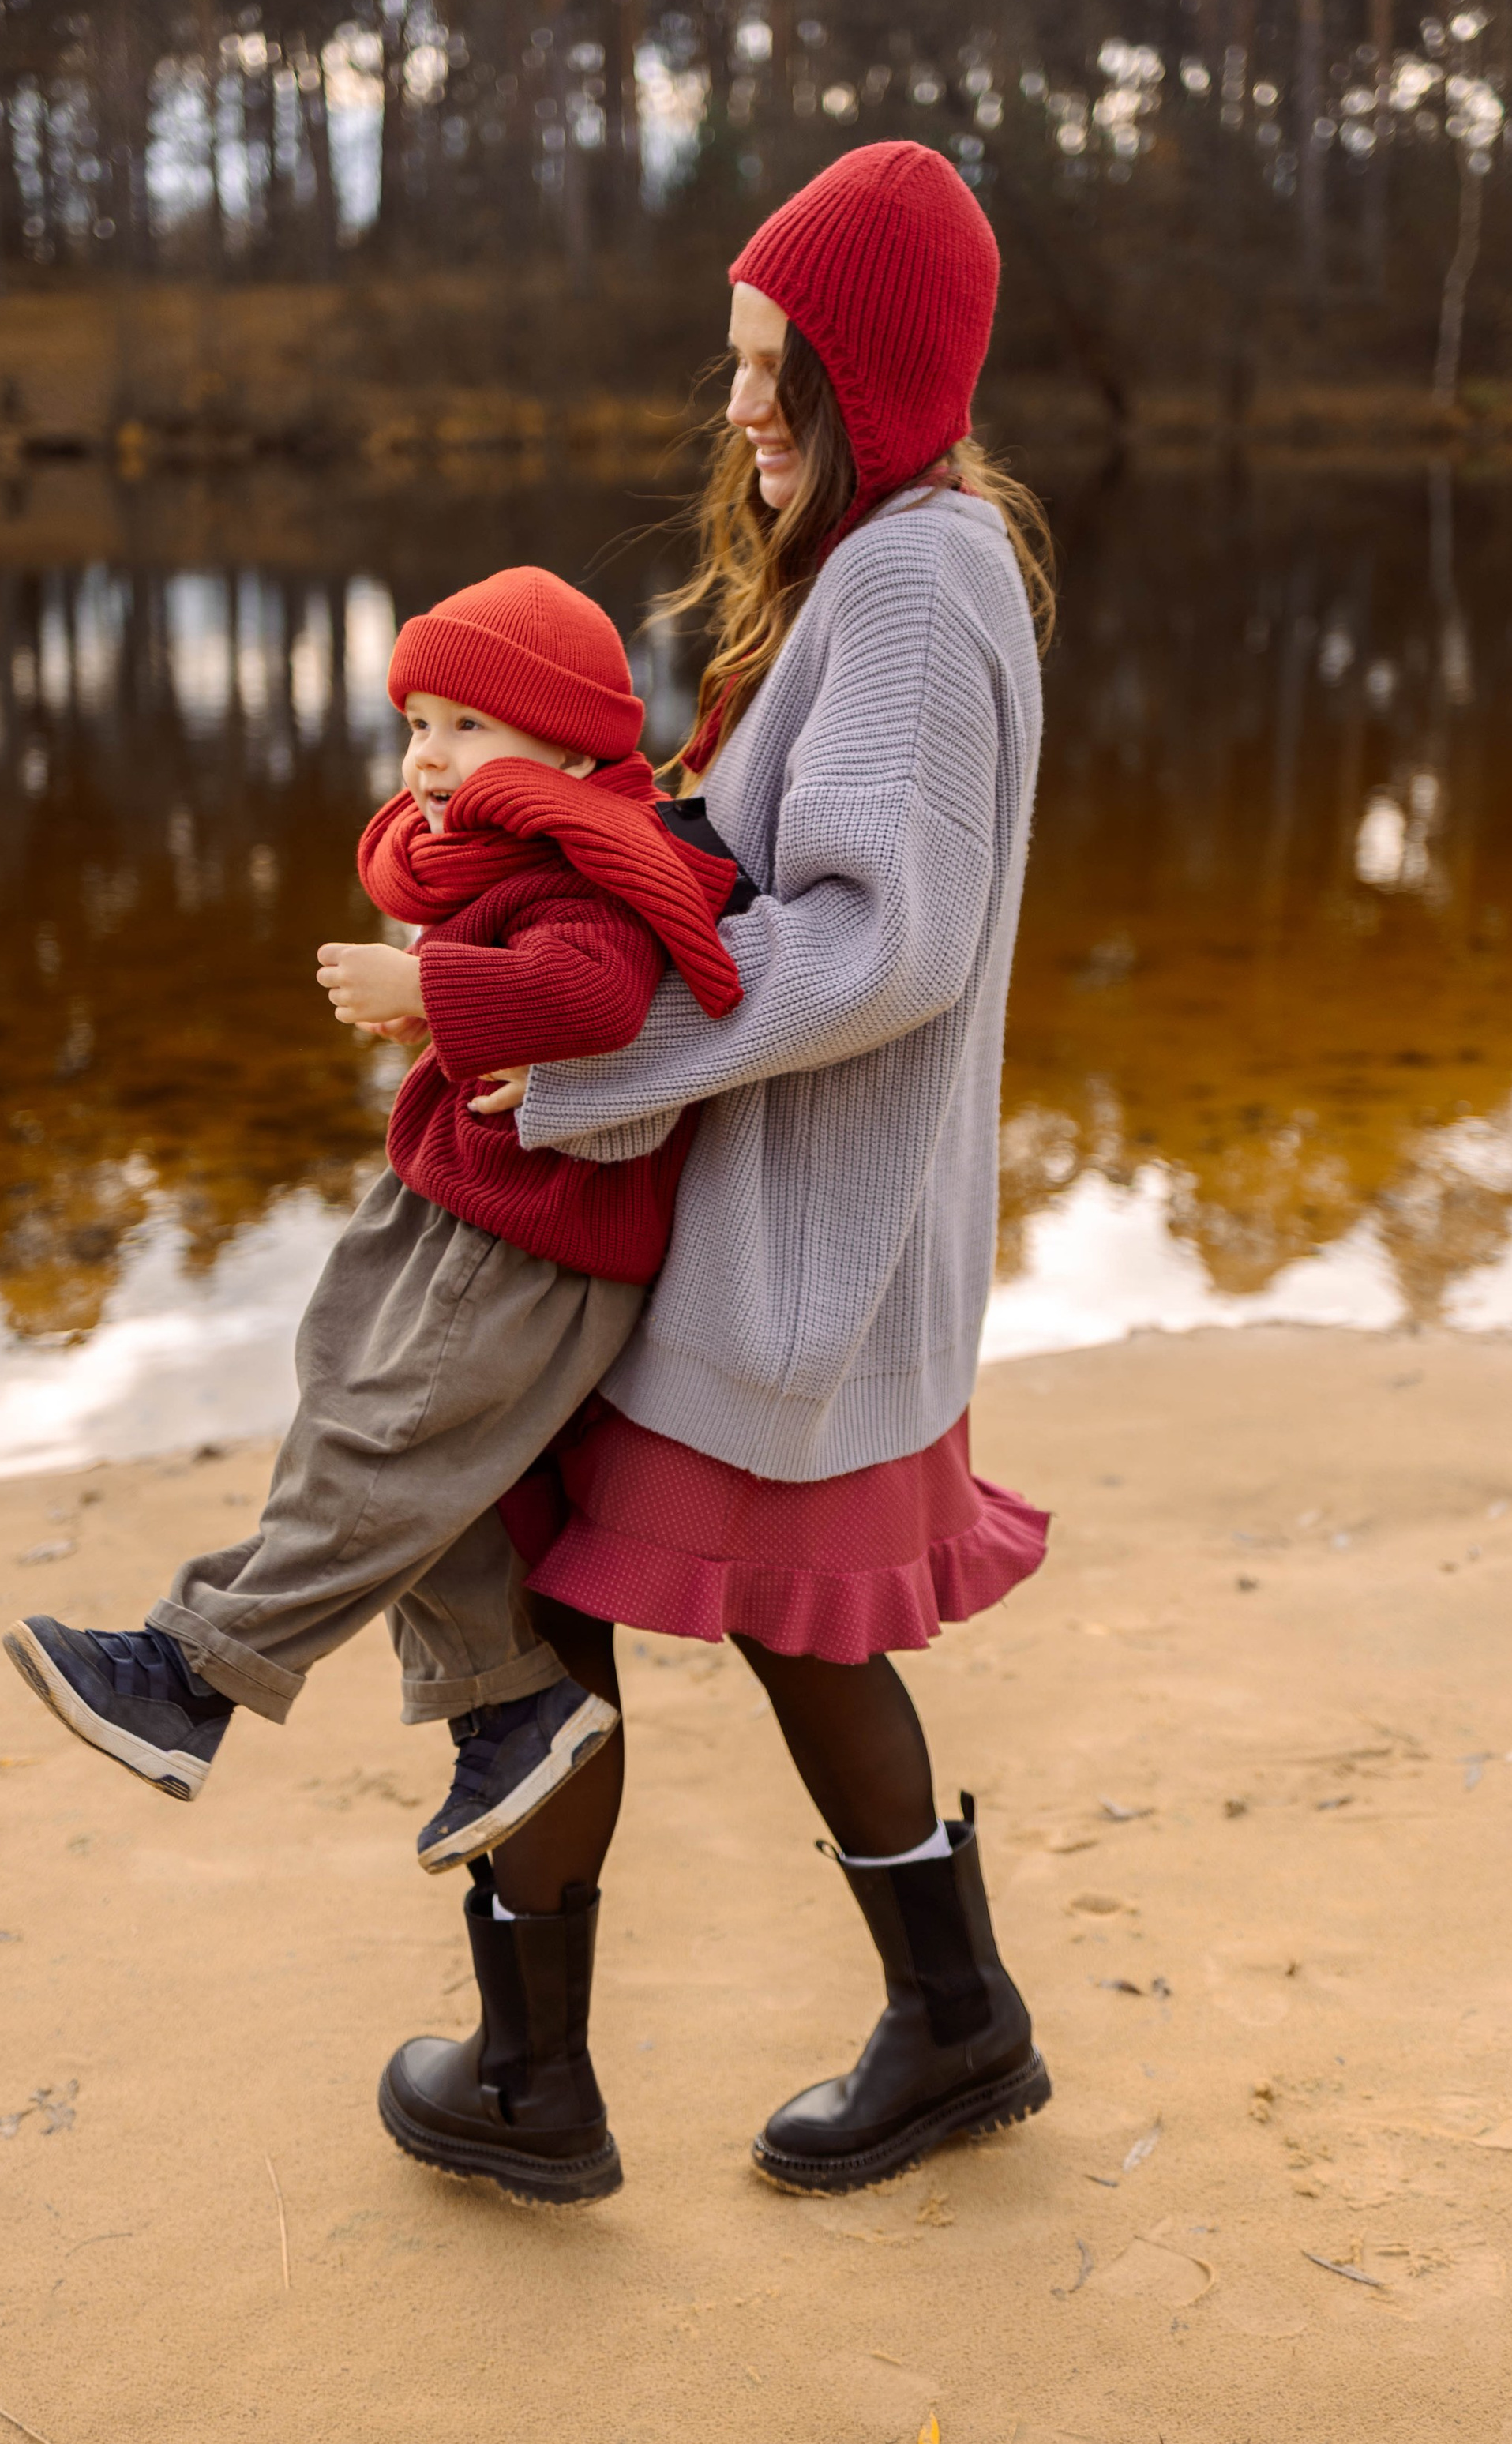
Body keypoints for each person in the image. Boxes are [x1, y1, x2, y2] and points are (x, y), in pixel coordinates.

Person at [379, 140, 1058, 2209]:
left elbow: (881, 934)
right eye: (739, 362)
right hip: (771, 1227)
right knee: (645, 1589)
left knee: (577, 1574)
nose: (746, 405)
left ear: (887, 380)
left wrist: (549, 1041)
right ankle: (900, 2025)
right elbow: (786, 875)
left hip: (794, 1242)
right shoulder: (890, 565)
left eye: (785, 369)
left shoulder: (915, 580)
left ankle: (553, 2066)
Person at [4, 566, 745, 1905]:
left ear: (572, 745)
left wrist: (436, 984)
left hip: (539, 1220)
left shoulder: (590, 855)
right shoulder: (501, 849)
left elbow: (596, 988)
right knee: (345, 1378)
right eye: (418, 720)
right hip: (456, 1186)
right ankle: (511, 1704)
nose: (429, 753)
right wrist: (445, 1003)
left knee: (388, 1437)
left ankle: (192, 1672)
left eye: (471, 724)